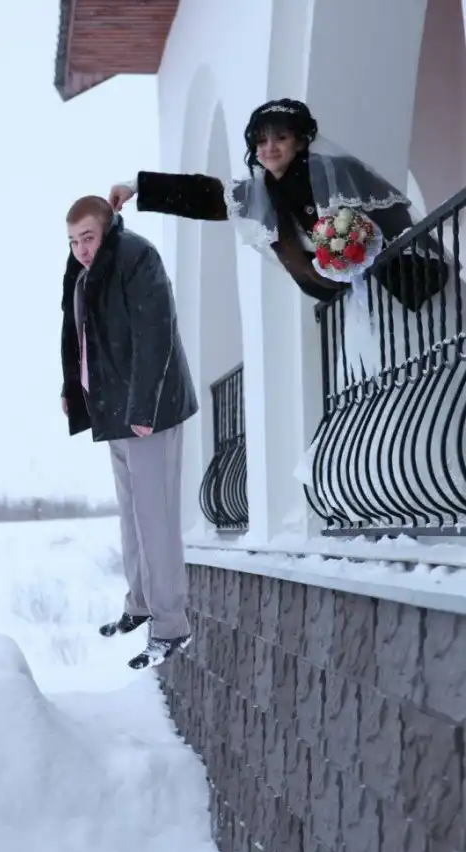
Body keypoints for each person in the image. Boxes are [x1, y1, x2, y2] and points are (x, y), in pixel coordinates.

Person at [109, 98, 448, 311]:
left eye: (281, 138)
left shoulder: (340, 172)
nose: (269, 148)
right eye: (261, 140)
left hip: (408, 286)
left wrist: (367, 249)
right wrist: (136, 186)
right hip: (358, 304)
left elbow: (395, 218)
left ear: (300, 141)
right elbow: (205, 195)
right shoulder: (259, 192)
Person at [60, 195, 198, 669]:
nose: (80, 248)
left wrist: (143, 408)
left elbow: (156, 333)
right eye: (73, 241)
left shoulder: (137, 257)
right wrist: (73, 390)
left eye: (88, 237)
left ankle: (172, 626)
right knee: (133, 518)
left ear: (108, 227)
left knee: (156, 521)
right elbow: (78, 337)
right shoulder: (87, 271)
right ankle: (139, 603)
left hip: (148, 412)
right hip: (114, 412)